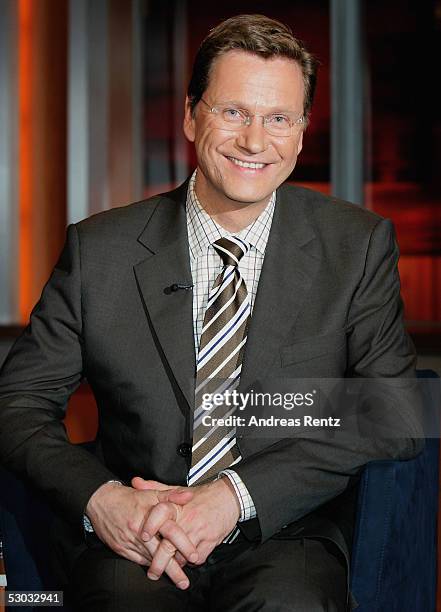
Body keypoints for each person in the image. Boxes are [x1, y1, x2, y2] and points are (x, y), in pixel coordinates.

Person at [0, 14, 423, 612]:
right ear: (191, 116)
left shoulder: (355, 246)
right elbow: (16, 404)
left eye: (278, 119)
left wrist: (233, 496)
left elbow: (397, 409)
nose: (256, 141)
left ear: (301, 133)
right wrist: (103, 500)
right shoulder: (102, 250)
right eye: (233, 112)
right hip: (137, 538)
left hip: (283, 533)